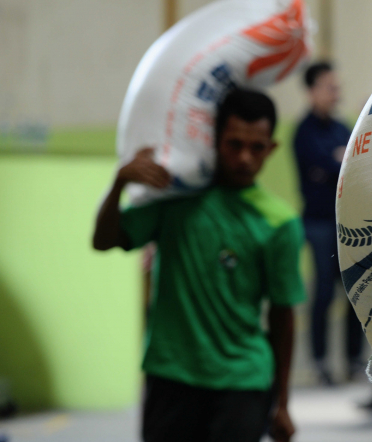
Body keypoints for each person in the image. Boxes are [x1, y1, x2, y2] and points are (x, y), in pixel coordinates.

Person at [93, 89, 305, 442]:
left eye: (256, 148)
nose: (244, 159)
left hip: (242, 379)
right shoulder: (175, 200)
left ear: (272, 149)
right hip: (171, 375)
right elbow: (103, 241)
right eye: (233, 144)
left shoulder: (280, 222)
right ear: (214, 140)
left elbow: (283, 315)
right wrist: (118, 184)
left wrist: (282, 402)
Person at [293, 61, 363, 384]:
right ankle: (320, 361)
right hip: (318, 225)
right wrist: (335, 163)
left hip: (344, 225)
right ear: (312, 91)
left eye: (337, 87)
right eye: (329, 87)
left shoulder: (342, 128)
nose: (335, 93)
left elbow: (352, 165)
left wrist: (334, 163)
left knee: (352, 292)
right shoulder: (302, 132)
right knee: (322, 292)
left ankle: (352, 361)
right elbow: (323, 169)